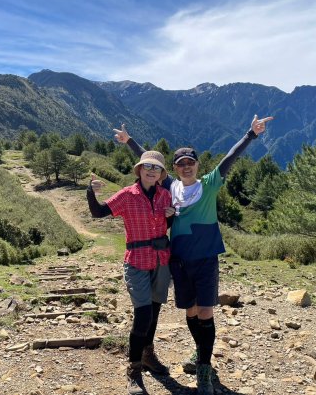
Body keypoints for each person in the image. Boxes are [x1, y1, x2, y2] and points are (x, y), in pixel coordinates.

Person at [114, 115, 273, 395]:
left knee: (206, 312)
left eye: (190, 162)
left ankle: (203, 368)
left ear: (197, 165)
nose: (186, 167)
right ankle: (200, 355)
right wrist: (130, 143)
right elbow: (151, 165)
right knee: (190, 312)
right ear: (175, 169)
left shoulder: (210, 183)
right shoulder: (170, 187)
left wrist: (251, 134)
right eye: (181, 164)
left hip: (206, 259)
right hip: (177, 260)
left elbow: (230, 158)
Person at [87, 150, 176, 395]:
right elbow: (98, 212)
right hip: (136, 260)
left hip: (161, 260)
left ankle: (148, 355)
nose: (151, 170)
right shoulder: (127, 195)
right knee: (143, 314)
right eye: (146, 166)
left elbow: (165, 227)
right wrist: (91, 192)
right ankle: (134, 369)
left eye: (156, 167)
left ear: (161, 174)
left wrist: (171, 218)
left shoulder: (165, 195)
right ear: (139, 170)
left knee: (155, 312)